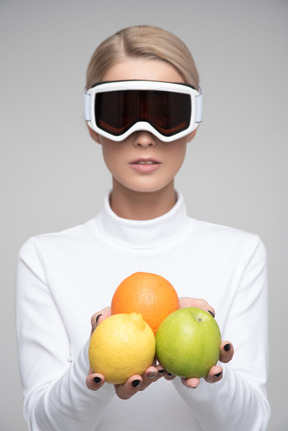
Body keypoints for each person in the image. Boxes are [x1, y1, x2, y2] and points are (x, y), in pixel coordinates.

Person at [16, 25, 270, 431]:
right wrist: (96, 358)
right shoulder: (43, 257)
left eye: (165, 115)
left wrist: (200, 368)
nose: (144, 137)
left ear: (194, 122)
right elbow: (43, 424)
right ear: (92, 124)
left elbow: (251, 423)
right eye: (120, 114)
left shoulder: (241, 253)